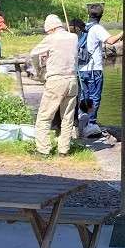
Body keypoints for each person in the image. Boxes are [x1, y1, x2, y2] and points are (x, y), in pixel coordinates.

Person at [28, 14, 79, 157]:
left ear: (51, 28)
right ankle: (64, 150)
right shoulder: (73, 37)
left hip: (56, 80)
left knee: (45, 116)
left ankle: (43, 150)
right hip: (72, 80)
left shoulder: (51, 39)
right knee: (67, 117)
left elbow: (33, 54)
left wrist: (38, 70)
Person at [79, 3, 120, 126]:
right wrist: (124, 32)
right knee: (94, 97)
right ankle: (91, 123)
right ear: (101, 15)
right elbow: (111, 41)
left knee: (84, 96)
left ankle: (82, 120)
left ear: (88, 14)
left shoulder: (83, 28)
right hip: (94, 69)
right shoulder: (97, 28)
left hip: (81, 69)